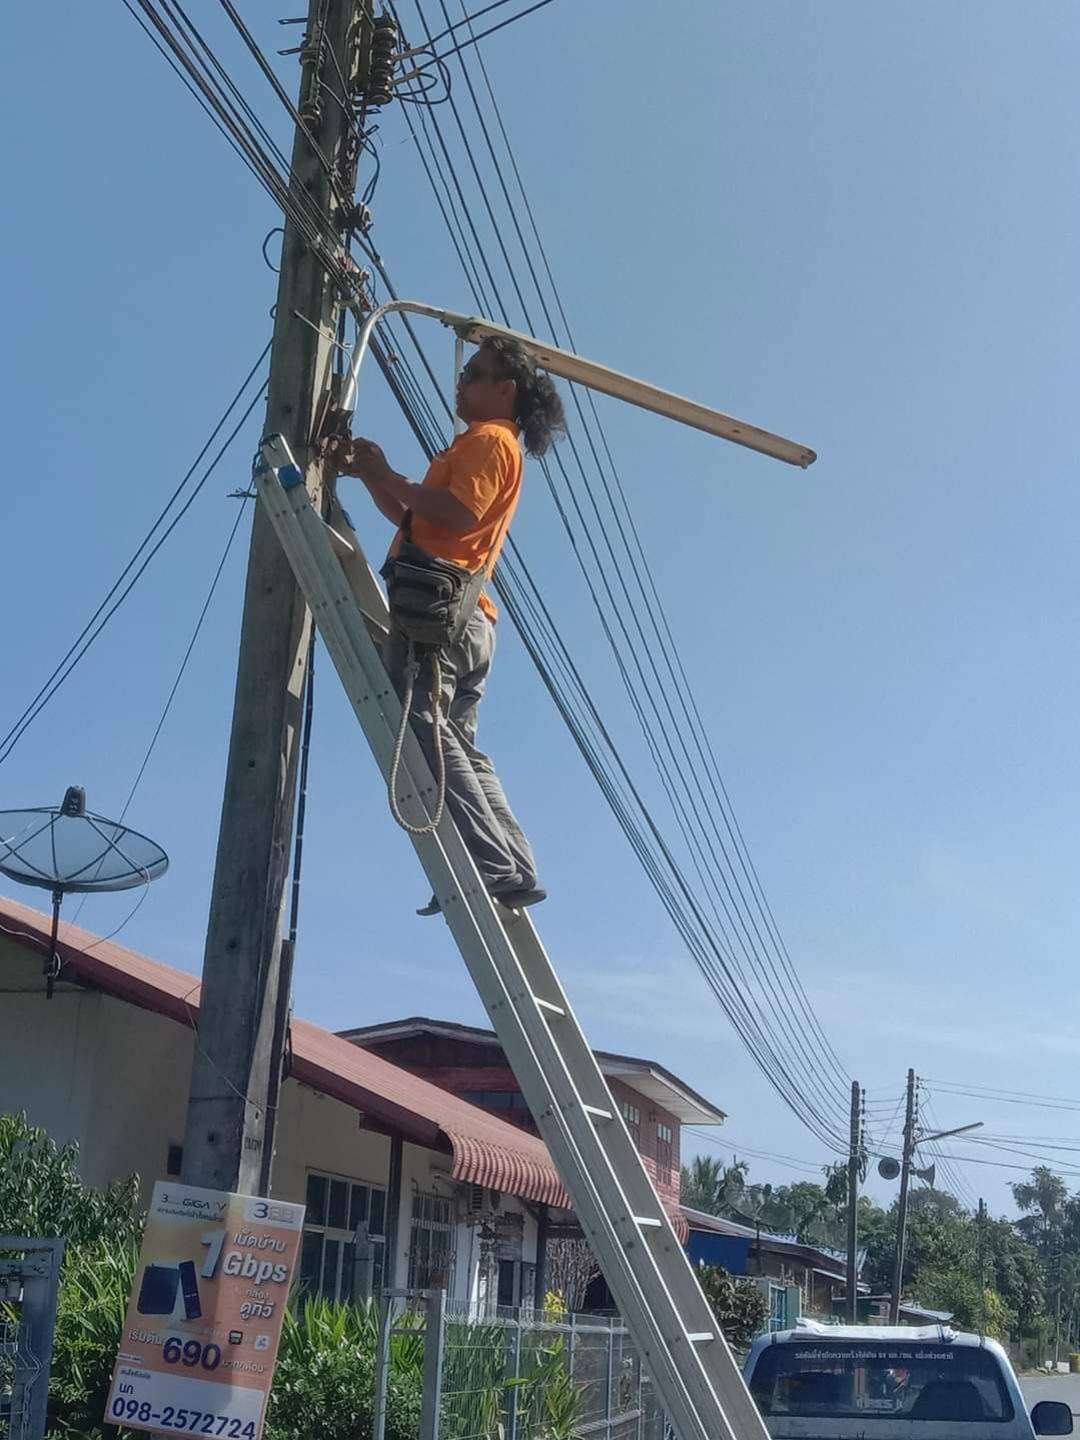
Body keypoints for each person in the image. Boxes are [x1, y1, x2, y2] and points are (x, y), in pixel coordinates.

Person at [327, 336, 565, 914]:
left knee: (427, 728)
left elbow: (459, 513)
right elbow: (419, 518)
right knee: (457, 744)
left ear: (504, 390)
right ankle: (510, 861)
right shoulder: (485, 444)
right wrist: (374, 478)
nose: (462, 383)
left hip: (444, 619)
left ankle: (488, 861)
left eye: (474, 374)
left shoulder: (488, 440)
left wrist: (385, 472)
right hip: (467, 619)